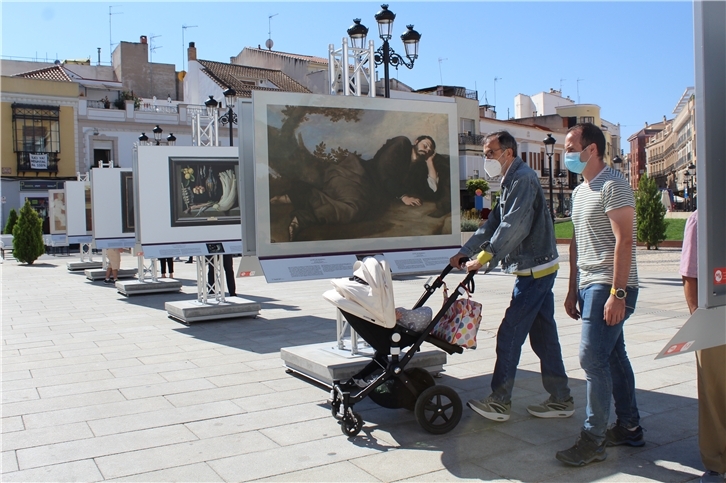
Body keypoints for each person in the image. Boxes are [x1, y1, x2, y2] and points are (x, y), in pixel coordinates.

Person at [448, 130, 573, 422]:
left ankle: (500, 401)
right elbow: (493, 223)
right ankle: (561, 399)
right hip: (535, 269)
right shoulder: (509, 181)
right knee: (544, 339)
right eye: (485, 153)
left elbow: (514, 226)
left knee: (509, 334)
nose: (487, 158)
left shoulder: (524, 179)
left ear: (508, 152)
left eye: (491, 152)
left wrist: (484, 257)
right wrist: (465, 251)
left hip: (536, 270)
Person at [556, 123, 641, 467]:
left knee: (592, 359)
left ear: (591, 149)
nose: (567, 154)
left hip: (611, 285)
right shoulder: (579, 192)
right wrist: (571, 288)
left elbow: (625, 240)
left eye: (571, 146)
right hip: (588, 285)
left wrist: (618, 293)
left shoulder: (614, 185)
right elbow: (577, 241)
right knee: (613, 355)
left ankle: (594, 439)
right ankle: (630, 426)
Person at [679, 210, 726, 483]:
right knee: (714, 392)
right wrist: (699, 320)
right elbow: (690, 274)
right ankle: (716, 463)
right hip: (715, 317)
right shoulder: (701, 218)